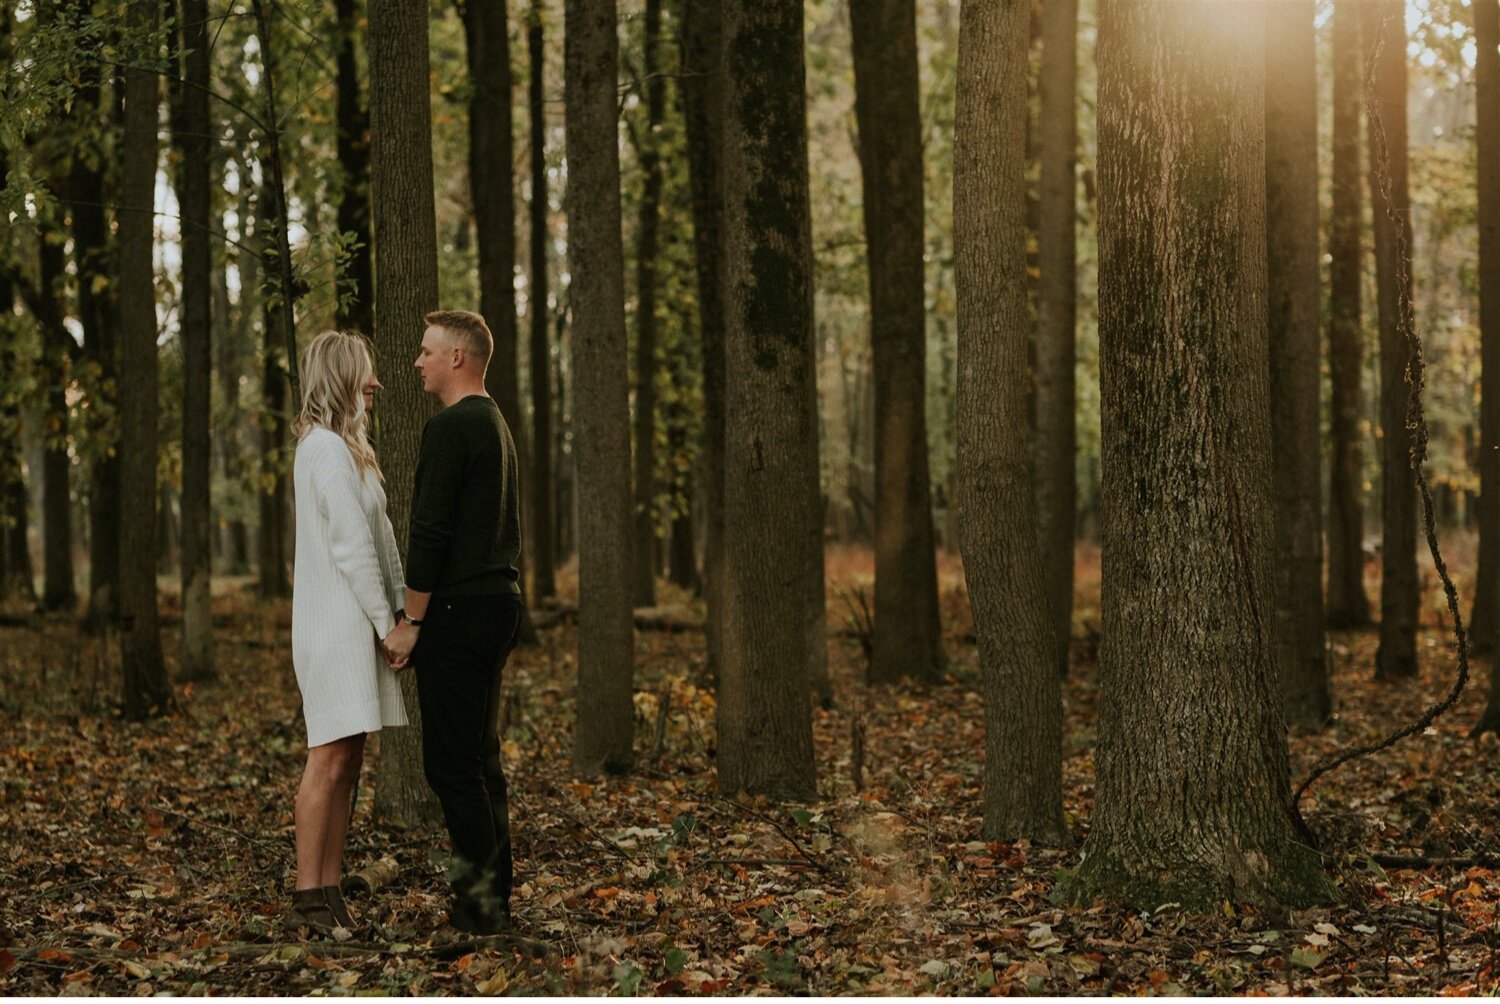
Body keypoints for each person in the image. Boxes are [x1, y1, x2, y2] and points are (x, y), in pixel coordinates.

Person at [383, 309, 525, 935]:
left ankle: (476, 914)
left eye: (426, 351)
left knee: (453, 766)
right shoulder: (496, 423)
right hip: (497, 604)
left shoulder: (451, 426)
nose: (417, 361)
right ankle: (494, 902)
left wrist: (411, 619)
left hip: (460, 610)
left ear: (458, 358)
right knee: (480, 760)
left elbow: (430, 530)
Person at [286, 330, 408, 935]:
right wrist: (388, 624)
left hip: (354, 621)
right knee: (327, 757)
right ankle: (307, 895)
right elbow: (353, 548)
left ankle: (330, 888)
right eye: (365, 372)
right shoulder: (324, 452)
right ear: (339, 377)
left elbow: (381, 544)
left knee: (349, 760)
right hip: (333, 626)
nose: (376, 383)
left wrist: (404, 612)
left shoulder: (346, 450)